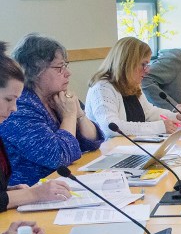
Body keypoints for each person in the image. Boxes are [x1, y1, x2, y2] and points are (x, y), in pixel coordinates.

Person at [0, 34, 104, 186]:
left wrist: (80, 115)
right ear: (35, 71)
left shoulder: (59, 98)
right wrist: (69, 116)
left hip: (61, 187)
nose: (68, 73)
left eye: (66, 66)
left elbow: (93, 141)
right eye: (59, 67)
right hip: (31, 195)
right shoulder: (20, 108)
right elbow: (58, 158)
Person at [0, 41, 72, 211]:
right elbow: (57, 156)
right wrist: (33, 194)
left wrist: (9, 193)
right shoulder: (22, 112)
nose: (14, 108)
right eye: (9, 100)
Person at [86, 37, 181, 139]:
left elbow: (149, 113)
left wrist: (176, 116)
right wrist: (160, 127)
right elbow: (111, 127)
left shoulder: (131, 84)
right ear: (128, 62)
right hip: (110, 150)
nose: (147, 70)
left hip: (132, 147)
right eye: (143, 64)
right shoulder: (102, 87)